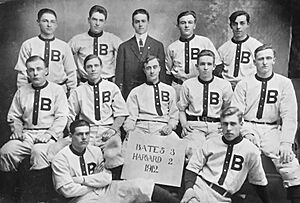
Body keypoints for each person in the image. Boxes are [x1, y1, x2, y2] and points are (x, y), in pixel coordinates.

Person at [231, 44, 300, 202]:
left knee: (290, 164)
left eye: (268, 58)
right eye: (260, 59)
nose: (264, 62)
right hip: (247, 126)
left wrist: (286, 143)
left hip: (272, 129)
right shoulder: (244, 84)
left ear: (274, 60)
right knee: (240, 156)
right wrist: (245, 132)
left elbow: (289, 115)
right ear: (254, 61)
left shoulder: (284, 83)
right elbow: (236, 113)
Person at [51, 119, 180, 203]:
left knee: (141, 185)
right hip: (81, 198)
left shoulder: (95, 151)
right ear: (70, 136)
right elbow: (68, 191)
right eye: (79, 134)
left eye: (87, 134)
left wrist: (80, 180)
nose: (84, 138)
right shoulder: (60, 159)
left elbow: (107, 178)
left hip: (106, 189)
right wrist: (95, 182)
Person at [0, 56, 68, 200]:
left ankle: (41, 198)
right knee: (6, 152)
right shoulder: (22, 91)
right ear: (27, 73)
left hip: (49, 135)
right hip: (26, 134)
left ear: (46, 71)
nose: (35, 73)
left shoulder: (57, 90)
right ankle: (8, 196)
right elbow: (14, 115)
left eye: (39, 69)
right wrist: (17, 129)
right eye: (31, 70)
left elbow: (62, 117)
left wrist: (50, 133)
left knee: (39, 152)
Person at [180, 107, 269, 203]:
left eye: (233, 124)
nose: (228, 129)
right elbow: (192, 167)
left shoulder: (251, 151)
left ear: (241, 124)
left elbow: (259, 182)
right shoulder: (210, 142)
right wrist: (189, 189)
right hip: (199, 189)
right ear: (220, 125)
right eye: (225, 124)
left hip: (223, 198)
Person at [67, 54, 128, 179]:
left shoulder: (111, 87)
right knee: (84, 156)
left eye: (96, 66)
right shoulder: (78, 91)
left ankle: (114, 185)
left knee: (113, 154)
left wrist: (113, 129)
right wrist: (73, 131)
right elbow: (69, 114)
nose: (93, 69)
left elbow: (121, 114)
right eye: (89, 66)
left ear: (101, 67)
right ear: (84, 69)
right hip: (86, 130)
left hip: (108, 129)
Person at [177, 49, 232, 160]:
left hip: (215, 127)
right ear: (197, 66)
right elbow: (181, 109)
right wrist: (184, 124)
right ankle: (192, 177)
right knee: (192, 152)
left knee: (218, 153)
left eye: (209, 64)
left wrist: (224, 124)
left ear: (214, 66)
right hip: (195, 126)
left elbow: (228, 108)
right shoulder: (188, 84)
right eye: (202, 64)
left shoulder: (224, 85)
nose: (206, 67)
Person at [14, 8, 77, 94]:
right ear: (38, 22)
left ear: (56, 24)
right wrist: (23, 94)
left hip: (59, 91)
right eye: (45, 21)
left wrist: (72, 93)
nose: (49, 25)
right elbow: (22, 73)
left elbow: (71, 73)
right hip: (33, 90)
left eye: (52, 21)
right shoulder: (28, 45)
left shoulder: (64, 46)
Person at [166, 10, 222, 99]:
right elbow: (168, 73)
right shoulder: (172, 47)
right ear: (178, 26)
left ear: (194, 25)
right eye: (183, 23)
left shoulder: (204, 42)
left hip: (199, 85)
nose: (186, 26)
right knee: (178, 111)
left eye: (190, 22)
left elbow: (217, 66)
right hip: (178, 86)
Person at [116, 8, 166, 99]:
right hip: (130, 93)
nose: (140, 24)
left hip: (151, 92)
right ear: (132, 24)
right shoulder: (124, 47)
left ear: (148, 23)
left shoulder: (157, 45)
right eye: (137, 22)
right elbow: (119, 76)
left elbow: (162, 74)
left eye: (143, 21)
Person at [124, 55, 178, 137]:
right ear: (144, 70)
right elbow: (131, 118)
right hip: (141, 127)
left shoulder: (170, 90)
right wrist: (130, 130)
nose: (152, 71)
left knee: (176, 144)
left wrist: (170, 126)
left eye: (155, 67)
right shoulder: (136, 92)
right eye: (148, 68)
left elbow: (174, 115)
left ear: (159, 68)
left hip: (162, 127)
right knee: (128, 146)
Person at [69, 5, 122, 83]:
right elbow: (64, 55)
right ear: (89, 20)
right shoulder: (78, 39)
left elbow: (126, 54)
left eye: (101, 20)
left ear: (105, 22)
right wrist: (74, 72)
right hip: (85, 83)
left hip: (107, 82)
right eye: (94, 19)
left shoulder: (112, 39)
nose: (97, 23)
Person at [218, 10, 262, 89]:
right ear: (231, 25)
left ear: (248, 24)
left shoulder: (257, 46)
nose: (238, 27)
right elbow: (218, 71)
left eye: (242, 23)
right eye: (235, 24)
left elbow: (262, 70)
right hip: (228, 88)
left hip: (249, 87)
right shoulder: (223, 48)